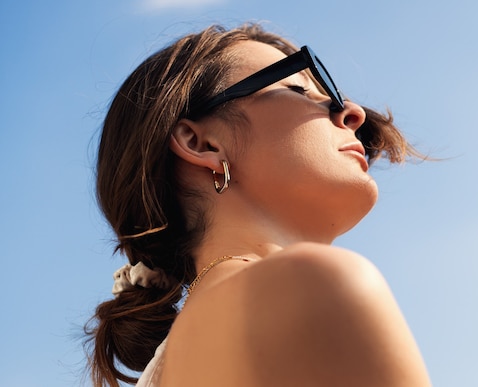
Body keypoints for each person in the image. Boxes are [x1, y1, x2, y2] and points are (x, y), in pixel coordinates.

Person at [85, 23, 432, 387]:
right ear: (201, 143)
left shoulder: (177, 361)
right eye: (299, 88)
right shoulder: (313, 287)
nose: (353, 113)